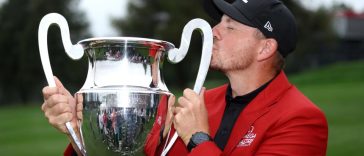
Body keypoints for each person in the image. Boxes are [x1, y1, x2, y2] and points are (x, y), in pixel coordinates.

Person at [41, 0, 328, 155]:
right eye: (219, 21)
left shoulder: (301, 120)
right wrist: (82, 130)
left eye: (230, 26)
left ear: (265, 47)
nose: (214, 31)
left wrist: (198, 138)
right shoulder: (199, 104)